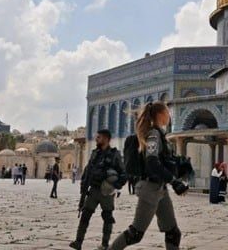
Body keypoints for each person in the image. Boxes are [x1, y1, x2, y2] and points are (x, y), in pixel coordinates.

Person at [109, 102, 188, 250]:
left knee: (173, 232)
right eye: (167, 112)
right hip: (150, 189)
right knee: (135, 234)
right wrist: (173, 181)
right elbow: (152, 162)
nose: (169, 115)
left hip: (160, 189)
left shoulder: (158, 133)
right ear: (160, 114)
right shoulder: (153, 134)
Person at [69, 129, 126, 250]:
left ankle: (105, 244)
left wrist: (115, 186)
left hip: (106, 192)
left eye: (98, 137)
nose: (96, 139)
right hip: (93, 190)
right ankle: (78, 242)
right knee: (85, 215)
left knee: (107, 217)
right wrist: (83, 186)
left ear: (106, 139)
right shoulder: (95, 153)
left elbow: (123, 173)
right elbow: (88, 170)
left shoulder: (114, 154)